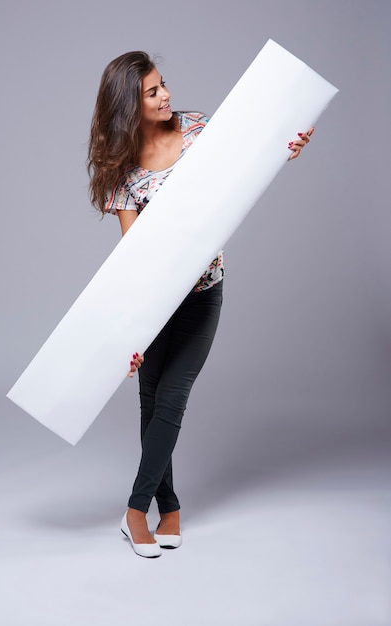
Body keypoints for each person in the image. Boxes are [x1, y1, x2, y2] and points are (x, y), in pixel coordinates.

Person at [87, 51, 313, 558]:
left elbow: (251, 159)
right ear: (128, 105)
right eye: (151, 91)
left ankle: (132, 511)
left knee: (172, 398)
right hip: (156, 303)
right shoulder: (122, 172)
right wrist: (133, 331)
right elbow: (134, 257)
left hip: (204, 292)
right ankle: (169, 507)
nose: (166, 94)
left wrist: (287, 149)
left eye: (163, 84)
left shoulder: (197, 128)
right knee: (151, 402)